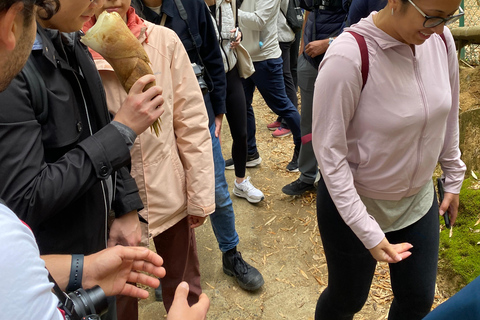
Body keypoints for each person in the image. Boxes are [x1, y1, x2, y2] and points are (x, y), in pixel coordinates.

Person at [0, 1, 207, 319]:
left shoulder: (71, 42)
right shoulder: (11, 69)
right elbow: (22, 199)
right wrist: (123, 130)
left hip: (99, 247)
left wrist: (126, 207)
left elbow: (101, 124)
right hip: (58, 266)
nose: (99, 2)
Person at [311, 0, 466, 318]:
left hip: (418, 201)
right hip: (356, 203)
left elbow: (447, 114)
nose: (439, 28)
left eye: (449, 18)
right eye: (432, 17)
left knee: (417, 299)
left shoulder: (440, 40)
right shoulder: (347, 57)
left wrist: (453, 175)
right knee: (347, 298)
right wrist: (365, 228)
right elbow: (330, 155)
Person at [83, 1, 215, 315]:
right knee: (121, 294)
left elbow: (191, 123)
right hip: (112, 209)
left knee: (184, 285)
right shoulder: (77, 52)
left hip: (170, 194)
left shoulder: (164, 42)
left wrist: (199, 197)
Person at [131, 0, 264, 296]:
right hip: (147, 120)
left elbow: (212, 58)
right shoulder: (125, 11)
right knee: (156, 194)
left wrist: (217, 110)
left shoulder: (190, 5)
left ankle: (231, 254)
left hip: (194, 109)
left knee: (215, 185)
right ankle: (166, 267)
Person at [281, 0, 348, 196]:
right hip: (309, 61)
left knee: (339, 124)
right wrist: (303, 46)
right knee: (308, 122)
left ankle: (334, 180)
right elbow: (309, 12)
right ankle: (307, 176)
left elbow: (362, 26)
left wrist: (329, 43)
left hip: (339, 62)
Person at [207, 0, 265, 204]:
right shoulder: (191, 7)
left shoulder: (228, 3)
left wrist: (238, 34)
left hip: (231, 73)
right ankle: (209, 189)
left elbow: (233, 28)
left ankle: (240, 182)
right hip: (206, 80)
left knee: (241, 132)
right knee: (209, 138)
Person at [236, 0, 302, 172]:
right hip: (244, 55)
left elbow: (259, 21)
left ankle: (304, 154)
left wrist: (230, 12)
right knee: (243, 105)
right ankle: (249, 153)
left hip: (265, 59)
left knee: (283, 106)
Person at [267, 0, 298, 139]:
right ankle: (283, 116)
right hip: (288, 30)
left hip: (282, 34)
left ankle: (289, 122)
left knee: (285, 77)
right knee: (289, 73)